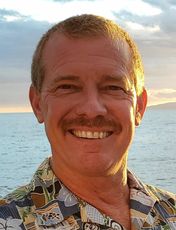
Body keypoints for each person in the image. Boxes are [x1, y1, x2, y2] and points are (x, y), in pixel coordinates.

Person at [0, 14, 175, 230]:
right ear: (37, 104)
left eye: (113, 87)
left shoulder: (171, 213)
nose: (92, 109)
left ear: (139, 106)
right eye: (67, 87)